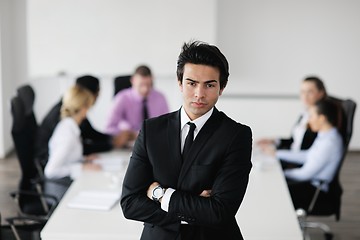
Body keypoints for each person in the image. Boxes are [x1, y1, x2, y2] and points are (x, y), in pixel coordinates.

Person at [121, 41, 252, 240]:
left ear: (221, 88)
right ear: (180, 82)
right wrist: (193, 211)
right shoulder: (151, 130)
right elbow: (130, 203)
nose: (199, 94)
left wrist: (160, 194)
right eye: (192, 83)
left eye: (209, 85)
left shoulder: (236, 135)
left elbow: (219, 212)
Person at [36, 75, 118, 168]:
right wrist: (111, 144)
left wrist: (112, 139)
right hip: (49, 162)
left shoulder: (71, 113)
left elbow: (89, 134)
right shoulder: (66, 124)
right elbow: (79, 146)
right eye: (97, 93)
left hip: (64, 163)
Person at [275, 98, 343, 210]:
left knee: (274, 188)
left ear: (322, 118)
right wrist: (277, 153)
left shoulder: (329, 143)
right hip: (308, 184)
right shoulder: (325, 136)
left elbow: (305, 174)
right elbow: (307, 156)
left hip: (314, 192)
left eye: (311, 116)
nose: (309, 121)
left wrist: (281, 173)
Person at [44, 85, 102, 180]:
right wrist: (82, 167)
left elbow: (68, 158)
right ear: (83, 108)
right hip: (62, 188)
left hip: (69, 181)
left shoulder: (70, 126)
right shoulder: (68, 135)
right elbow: (50, 171)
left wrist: (84, 160)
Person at [105, 65, 169, 147]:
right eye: (141, 85)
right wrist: (124, 133)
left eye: (148, 85)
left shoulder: (160, 98)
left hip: (153, 144)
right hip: (128, 145)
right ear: (133, 81)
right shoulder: (122, 98)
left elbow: (167, 126)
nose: (145, 89)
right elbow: (108, 128)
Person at [257, 76, 327, 151]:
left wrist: (277, 154)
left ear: (321, 93)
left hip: (298, 159)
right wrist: (273, 141)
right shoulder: (304, 114)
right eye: (302, 92)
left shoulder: (321, 119)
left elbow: (309, 152)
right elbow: (294, 140)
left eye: (310, 92)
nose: (305, 96)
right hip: (290, 154)